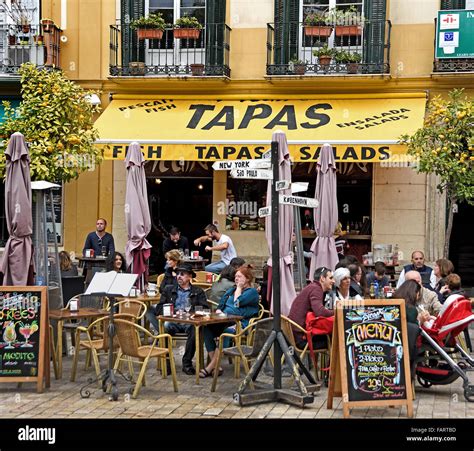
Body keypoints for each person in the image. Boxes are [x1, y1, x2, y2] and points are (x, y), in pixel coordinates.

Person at [146, 262, 209, 375]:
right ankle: (167, 363)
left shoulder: (198, 291)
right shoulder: (169, 289)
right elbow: (159, 308)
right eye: (178, 273)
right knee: (163, 327)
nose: (179, 276)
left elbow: (205, 309)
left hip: (189, 322)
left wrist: (191, 313)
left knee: (195, 329)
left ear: (190, 276)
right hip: (172, 321)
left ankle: (187, 363)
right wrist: (172, 311)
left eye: (183, 274)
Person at [199, 264, 260, 378]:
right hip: (225, 320)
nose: (236, 279)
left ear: (247, 279)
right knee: (205, 328)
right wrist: (218, 311)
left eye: (240, 277)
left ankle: (210, 367)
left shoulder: (252, 292)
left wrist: (239, 288)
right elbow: (222, 303)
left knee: (226, 333)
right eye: (236, 276)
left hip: (241, 324)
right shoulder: (231, 290)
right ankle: (216, 365)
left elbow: (237, 302)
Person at [288, 267, 335, 351]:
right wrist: (337, 312)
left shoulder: (312, 287)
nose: (333, 281)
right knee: (336, 339)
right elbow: (320, 312)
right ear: (322, 279)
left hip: (295, 334)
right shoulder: (316, 289)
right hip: (302, 339)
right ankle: (333, 364)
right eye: (331, 278)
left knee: (332, 336)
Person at [393, 280, 431, 366]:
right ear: (414, 293)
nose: (418, 297)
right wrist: (420, 320)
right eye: (418, 294)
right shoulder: (411, 309)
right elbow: (412, 330)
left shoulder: (393, 301)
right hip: (405, 347)